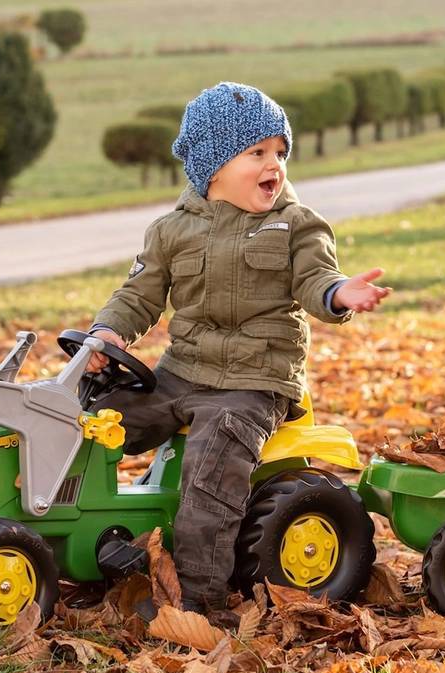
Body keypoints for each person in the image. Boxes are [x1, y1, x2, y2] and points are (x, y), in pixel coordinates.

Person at [86, 81, 391, 615]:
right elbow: (138, 295)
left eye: (280, 152)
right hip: (181, 373)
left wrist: (340, 293)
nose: (274, 164)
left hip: (254, 384)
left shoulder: (295, 225)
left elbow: (317, 278)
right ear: (214, 166)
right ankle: (77, 539)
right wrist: (106, 333)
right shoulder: (171, 231)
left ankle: (200, 601)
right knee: (91, 422)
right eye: (257, 152)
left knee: (211, 470)